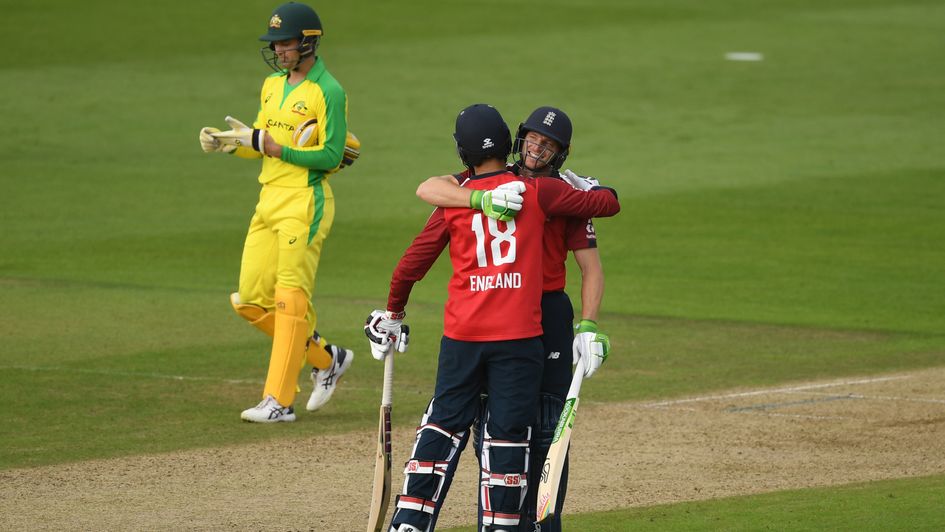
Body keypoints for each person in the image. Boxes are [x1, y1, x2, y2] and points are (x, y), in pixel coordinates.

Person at [364, 104, 619, 532]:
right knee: (508, 432)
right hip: (517, 325)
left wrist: (588, 324)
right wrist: (478, 196)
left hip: (517, 320)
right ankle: (507, 523)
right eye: (532, 138)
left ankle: (524, 522)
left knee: (523, 425)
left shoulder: (535, 189)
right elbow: (610, 201)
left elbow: (417, 243)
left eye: (549, 144)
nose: (538, 148)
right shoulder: (535, 193)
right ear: (514, 140)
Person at [198, 2, 359, 423]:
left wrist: (275, 147)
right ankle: (327, 358)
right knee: (249, 300)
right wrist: (231, 143)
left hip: (305, 203)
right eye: (274, 44)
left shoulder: (329, 92)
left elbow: (331, 155)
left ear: (307, 43)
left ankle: (278, 401)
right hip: (268, 199)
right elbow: (260, 141)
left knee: (290, 300)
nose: (277, 50)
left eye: (284, 43)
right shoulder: (272, 85)